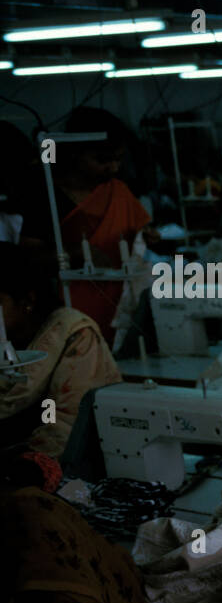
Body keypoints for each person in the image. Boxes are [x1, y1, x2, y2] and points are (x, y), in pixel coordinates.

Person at [12, 108, 157, 343]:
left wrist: (142, 236)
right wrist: (75, 254)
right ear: (75, 154)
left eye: (118, 159)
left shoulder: (117, 190)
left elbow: (129, 234)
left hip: (119, 304)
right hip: (66, 307)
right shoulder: (46, 196)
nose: (113, 168)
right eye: (103, 160)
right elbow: (28, 258)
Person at [0, 245, 121, 457]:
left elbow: (64, 423)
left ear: (27, 301)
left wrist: (22, 472)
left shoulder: (73, 335)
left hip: (50, 463)